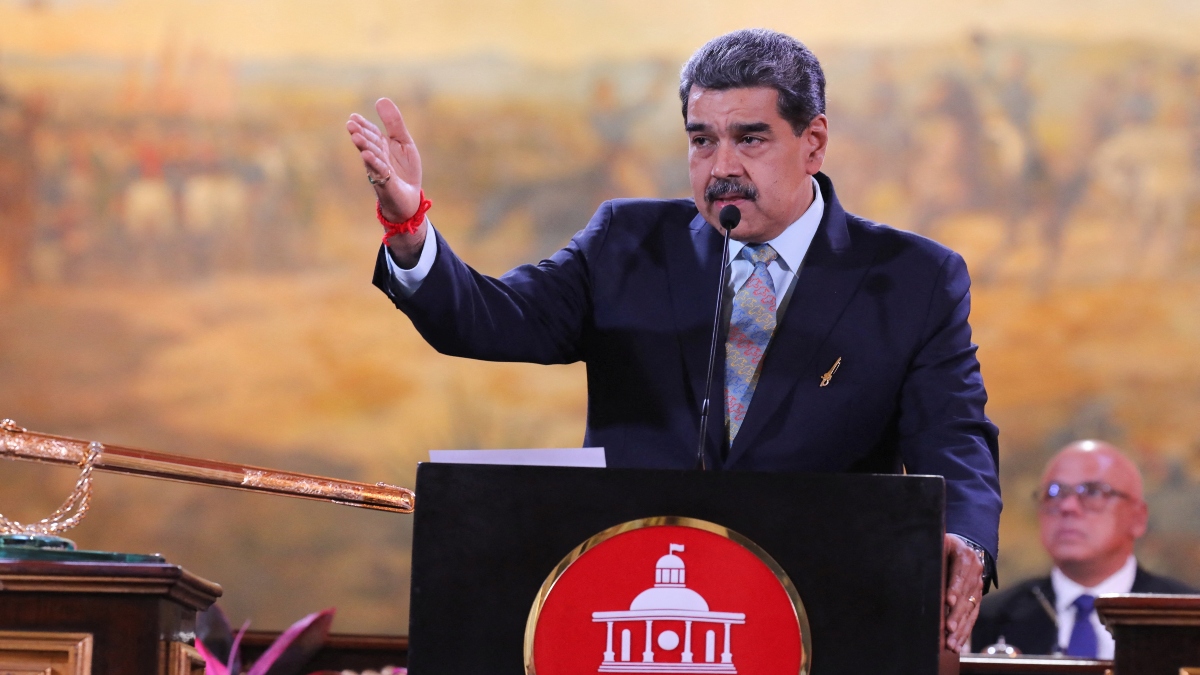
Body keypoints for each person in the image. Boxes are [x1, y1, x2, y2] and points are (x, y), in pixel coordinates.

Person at [347, 29, 1001, 652]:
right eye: (701, 140)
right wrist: (410, 229)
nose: (722, 167)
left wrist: (966, 537)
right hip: (634, 611)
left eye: (750, 139)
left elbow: (954, 434)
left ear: (814, 142)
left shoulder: (911, 278)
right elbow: (489, 317)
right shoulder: (627, 244)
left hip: (823, 615)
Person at [971, 440, 1194, 657]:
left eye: (1093, 492)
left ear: (1138, 518)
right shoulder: (988, 620)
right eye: (1054, 493)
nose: (1067, 506)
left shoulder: (1187, 616)